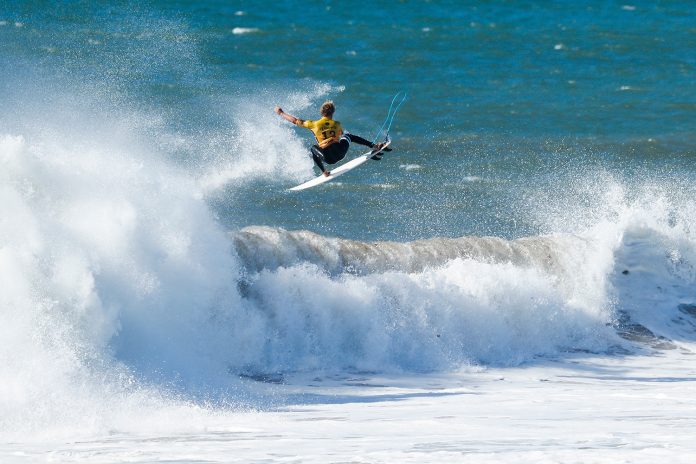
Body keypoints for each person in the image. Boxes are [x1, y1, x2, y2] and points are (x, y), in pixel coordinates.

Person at [274, 100, 390, 176]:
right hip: (341, 153)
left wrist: (281, 113)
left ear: (321, 113)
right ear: (333, 112)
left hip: (328, 158)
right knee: (348, 136)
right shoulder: (337, 124)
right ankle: (373, 145)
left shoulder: (313, 124)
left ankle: (324, 172)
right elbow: (340, 136)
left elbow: (294, 120)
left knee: (313, 148)